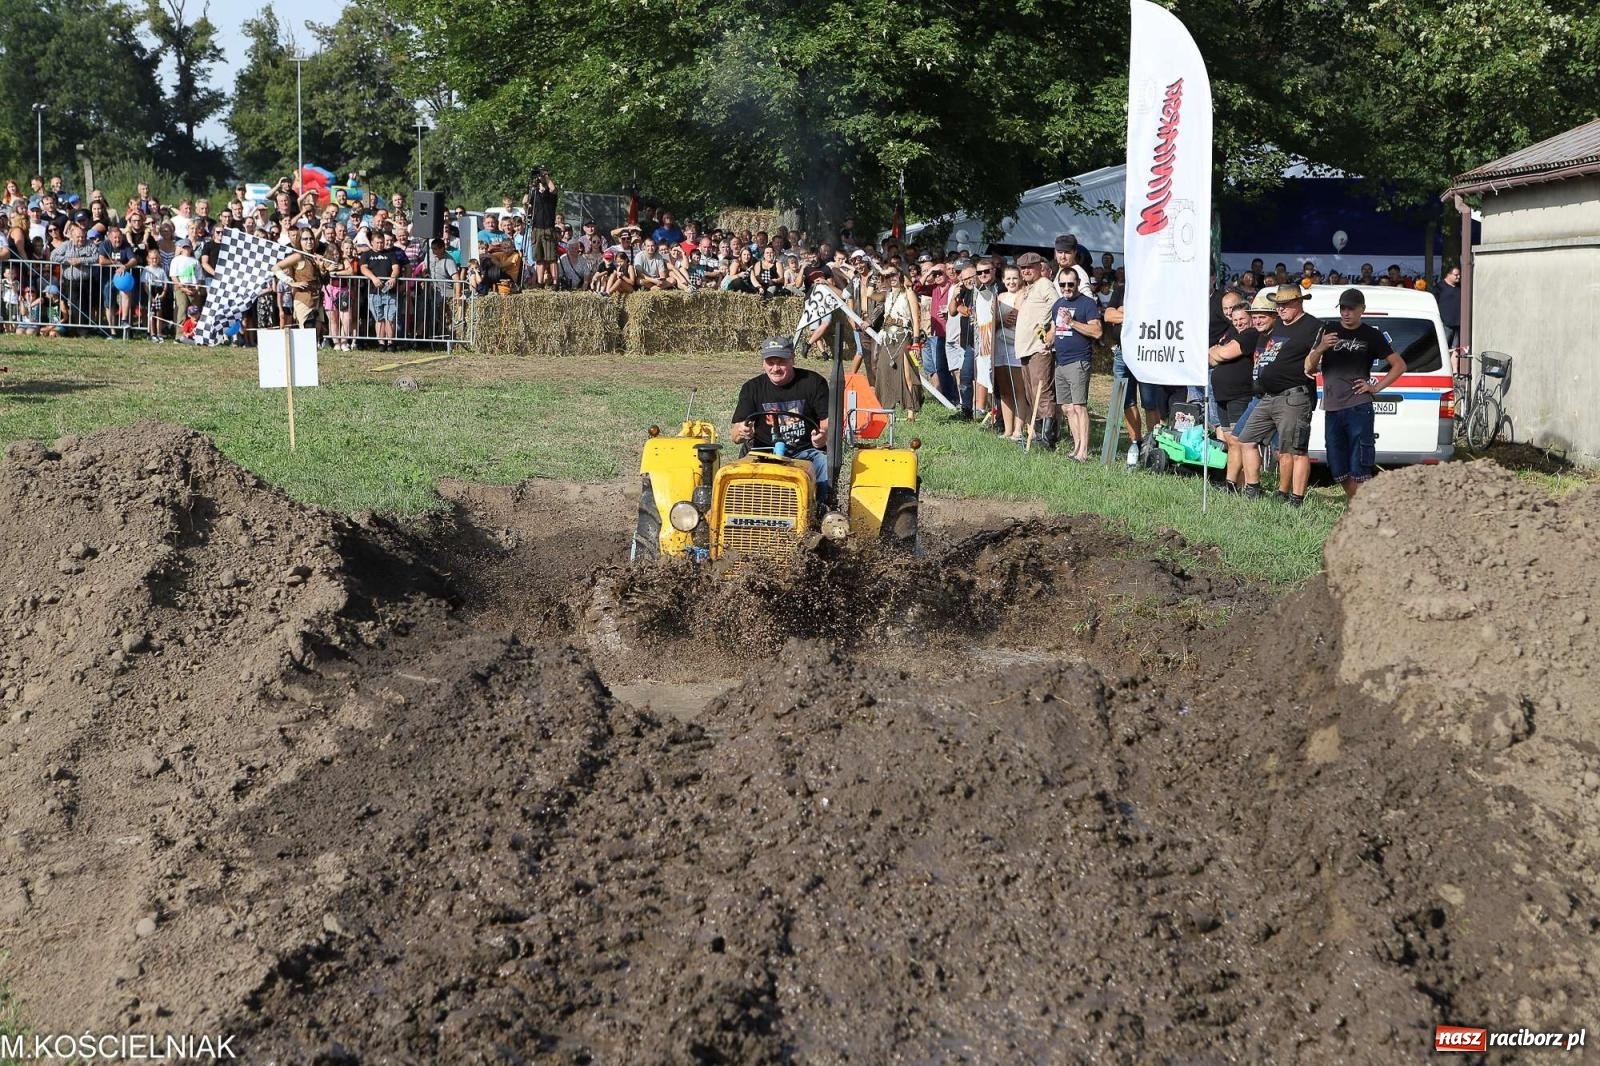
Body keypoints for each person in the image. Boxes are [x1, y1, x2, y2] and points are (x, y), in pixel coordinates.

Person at [1305, 288, 1406, 498]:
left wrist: (1375, 387)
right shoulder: (1328, 330)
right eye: (1343, 308)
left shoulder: (1371, 335)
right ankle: (1358, 506)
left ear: (1362, 309)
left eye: (1351, 308)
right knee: (1337, 467)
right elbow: (1308, 367)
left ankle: (1360, 514)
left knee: (1360, 465)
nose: (1346, 313)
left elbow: (1399, 365)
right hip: (1332, 407)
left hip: (1359, 407)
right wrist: (1322, 347)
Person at [1237, 283, 1323, 504]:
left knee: (1294, 449)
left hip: (1293, 395)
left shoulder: (1312, 325)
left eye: (1285, 305)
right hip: (1269, 395)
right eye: (1278, 305)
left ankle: (1294, 498)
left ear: (1298, 302)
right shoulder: (1280, 326)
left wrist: (1314, 361)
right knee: (1246, 439)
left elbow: (1317, 357)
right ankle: (1253, 489)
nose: (1281, 309)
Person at [729, 337, 832, 497]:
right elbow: (735, 436)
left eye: (781, 362)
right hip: (764, 452)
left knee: (824, 463)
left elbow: (827, 423)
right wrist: (743, 431)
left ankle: (823, 512)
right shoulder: (752, 388)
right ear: (763, 363)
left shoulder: (813, 383)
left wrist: (822, 436)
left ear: (792, 359)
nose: (775, 368)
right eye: (770, 362)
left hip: (805, 452)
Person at [1209, 292, 1267, 491]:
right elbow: (1211, 357)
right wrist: (1217, 353)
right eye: (1235, 320)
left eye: (1242, 318)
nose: (1239, 323)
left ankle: (1248, 485)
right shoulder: (1232, 333)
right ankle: (1231, 484)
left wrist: (1218, 352)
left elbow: (1221, 353)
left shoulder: (1251, 334)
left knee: (1241, 439)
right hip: (1223, 395)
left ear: (1250, 318)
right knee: (1230, 441)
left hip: (1239, 394)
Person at [1047, 270, 1102, 461]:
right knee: (1067, 408)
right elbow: (1054, 331)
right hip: (1060, 362)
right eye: (1063, 285)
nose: (1067, 288)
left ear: (1078, 283)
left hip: (1078, 361)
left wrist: (1073, 322)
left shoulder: (1087, 303)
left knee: (1079, 406)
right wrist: (1046, 339)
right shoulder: (1058, 304)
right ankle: (1077, 446)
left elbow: (1097, 332)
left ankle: (1084, 451)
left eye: (1070, 284)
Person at [860, 264, 922, 422]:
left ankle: (910, 412)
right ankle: (888, 409)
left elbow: (916, 319)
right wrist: (877, 274)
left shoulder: (909, 293)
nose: (891, 279)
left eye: (893, 275)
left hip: (904, 335)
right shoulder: (886, 294)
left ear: (900, 275)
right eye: (887, 276)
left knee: (907, 373)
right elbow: (869, 294)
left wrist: (916, 342)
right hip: (887, 336)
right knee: (884, 371)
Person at [1011, 252, 1059, 448]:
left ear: (1040, 267)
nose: (1026, 271)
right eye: (1023, 268)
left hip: (1038, 347)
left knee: (1042, 392)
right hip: (1026, 348)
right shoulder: (1031, 288)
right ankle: (1038, 434)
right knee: (1032, 394)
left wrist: (1049, 332)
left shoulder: (1045, 284)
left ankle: (1048, 438)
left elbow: (1058, 307)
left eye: (1030, 267)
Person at [274, 226, 327, 333]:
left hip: (317, 300)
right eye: (305, 239)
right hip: (304, 300)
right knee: (307, 333)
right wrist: (292, 283)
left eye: (311, 238)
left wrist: (321, 268)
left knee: (316, 334)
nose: (309, 241)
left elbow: (322, 279)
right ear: (300, 241)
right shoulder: (298, 256)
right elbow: (276, 268)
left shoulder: (313, 256)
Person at [360, 230, 401, 352]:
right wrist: (373, 278)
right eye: (377, 243)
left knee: (391, 318)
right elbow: (363, 268)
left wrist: (393, 278)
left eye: (382, 242)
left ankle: (391, 343)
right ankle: (381, 343)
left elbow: (396, 267)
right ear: (372, 243)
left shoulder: (391, 254)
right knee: (379, 318)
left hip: (390, 292)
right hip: (374, 292)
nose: (380, 245)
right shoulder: (366, 255)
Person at [524, 169, 559, 288]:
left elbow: (553, 189)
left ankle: (555, 282)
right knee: (539, 257)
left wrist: (546, 176)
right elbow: (526, 204)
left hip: (548, 227)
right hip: (536, 227)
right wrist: (530, 188)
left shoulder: (551, 193)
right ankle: (539, 282)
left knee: (551, 258)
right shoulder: (534, 193)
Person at [1436, 264, 1462, 351]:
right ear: (1448, 274)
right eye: (1456, 275)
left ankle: (1454, 365)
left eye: (1459, 275)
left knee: (1455, 349)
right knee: (1443, 349)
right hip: (1445, 324)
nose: (1459, 277)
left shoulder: (1460, 287)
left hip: (1458, 324)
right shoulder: (1439, 287)